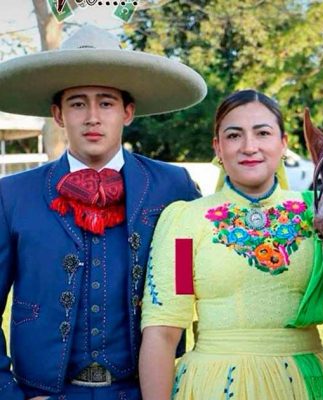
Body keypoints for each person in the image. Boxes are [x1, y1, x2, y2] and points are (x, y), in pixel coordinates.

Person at [0, 25, 205, 399]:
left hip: (145, 391)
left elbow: (197, 288)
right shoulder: (12, 195)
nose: (92, 117)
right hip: (44, 394)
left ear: (128, 112)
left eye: (106, 102)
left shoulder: (172, 187)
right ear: (58, 115)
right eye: (77, 103)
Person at [138, 89, 323, 399]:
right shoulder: (188, 223)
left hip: (308, 383)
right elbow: (164, 331)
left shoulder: (318, 215)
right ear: (218, 147)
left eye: (263, 133)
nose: (249, 147)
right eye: (234, 135)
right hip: (216, 384)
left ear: (283, 144)